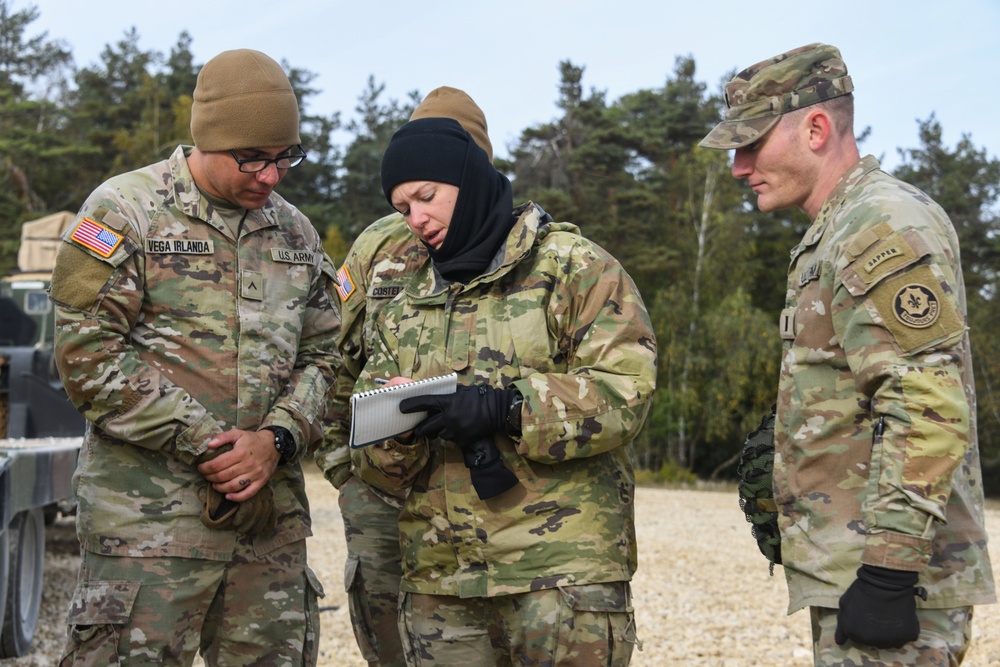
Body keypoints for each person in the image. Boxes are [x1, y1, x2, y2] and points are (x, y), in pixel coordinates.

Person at [700, 42, 995, 665]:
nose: (737, 166)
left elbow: (927, 406)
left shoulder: (875, 224)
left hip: (896, 581)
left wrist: (888, 572)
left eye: (750, 144)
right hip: (863, 567)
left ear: (815, 128)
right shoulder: (838, 228)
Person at [50, 48, 341, 666]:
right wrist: (212, 445)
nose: (270, 176)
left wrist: (278, 440)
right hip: (147, 529)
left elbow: (326, 356)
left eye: (285, 158)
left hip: (268, 529)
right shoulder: (125, 211)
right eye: (252, 159)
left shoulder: (295, 233)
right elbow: (87, 355)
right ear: (205, 140)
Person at [349, 96, 657, 666]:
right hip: (441, 586)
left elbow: (626, 392)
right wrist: (399, 427)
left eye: (426, 197)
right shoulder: (404, 294)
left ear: (467, 180)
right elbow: (372, 462)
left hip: (560, 579)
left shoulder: (572, 266)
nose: (415, 218)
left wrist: (506, 408)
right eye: (401, 205)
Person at [315, 86, 493, 667]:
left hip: (481, 502)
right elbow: (330, 358)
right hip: (382, 495)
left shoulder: (526, 247)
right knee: (390, 637)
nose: (419, 214)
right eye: (406, 198)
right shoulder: (377, 248)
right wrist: (345, 471)